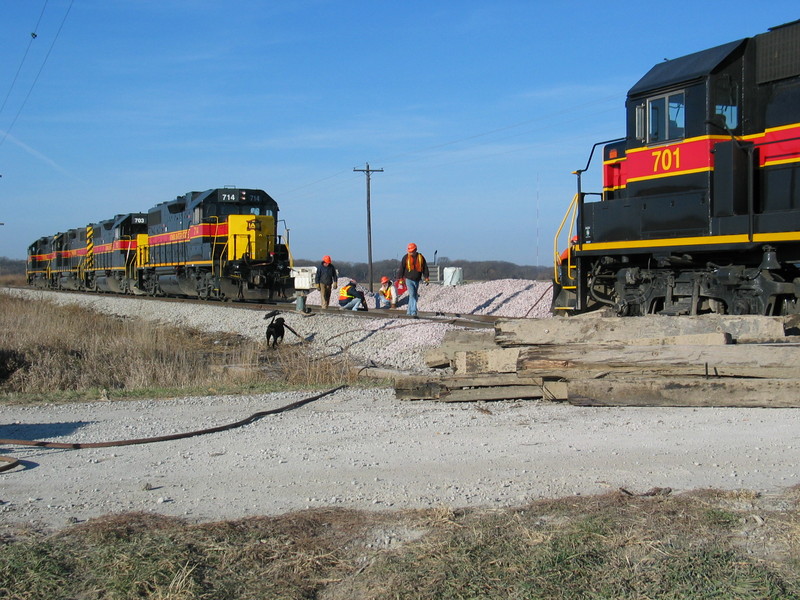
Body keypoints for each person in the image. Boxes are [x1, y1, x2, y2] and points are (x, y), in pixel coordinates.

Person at [397, 242, 429, 316]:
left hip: (417, 280)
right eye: (409, 251)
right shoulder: (405, 258)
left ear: (415, 250)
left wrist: (426, 277)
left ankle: (409, 312)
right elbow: (402, 268)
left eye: (412, 251)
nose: (410, 253)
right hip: (408, 279)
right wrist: (400, 278)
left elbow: (425, 268)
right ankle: (414, 311)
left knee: (413, 295)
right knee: (412, 295)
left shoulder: (421, 257)